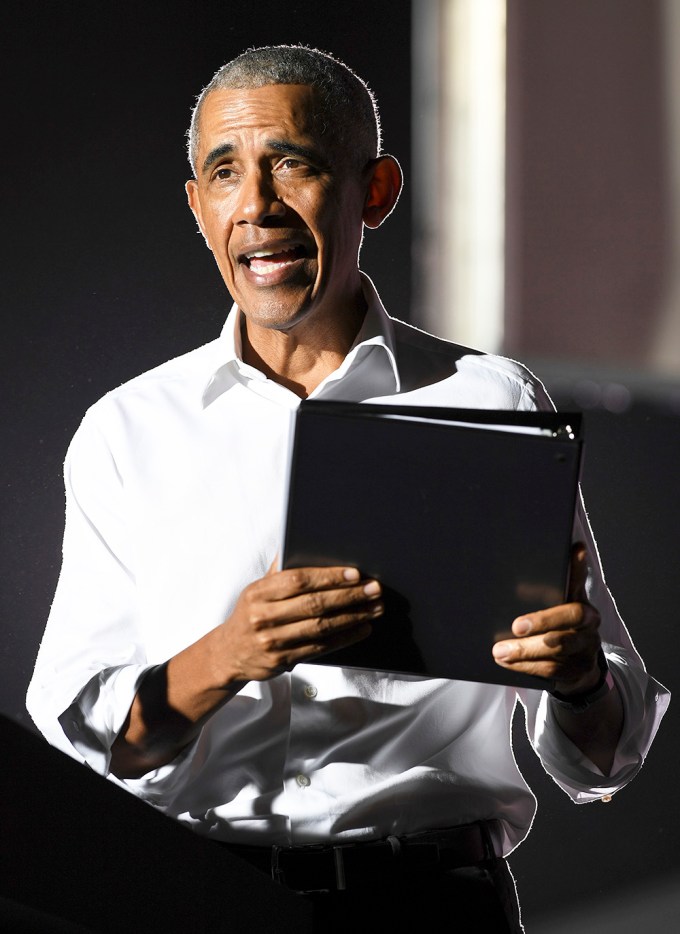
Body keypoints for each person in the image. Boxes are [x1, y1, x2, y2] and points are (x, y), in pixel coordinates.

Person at [26, 44, 669, 932]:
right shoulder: (129, 429)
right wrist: (229, 654)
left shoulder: (490, 400)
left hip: (434, 908)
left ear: (375, 190)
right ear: (198, 206)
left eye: (294, 164)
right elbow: (84, 738)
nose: (256, 206)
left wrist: (579, 676)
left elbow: (603, 760)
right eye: (225, 173)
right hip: (194, 902)